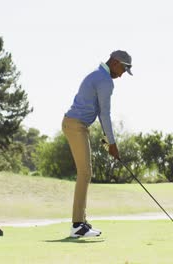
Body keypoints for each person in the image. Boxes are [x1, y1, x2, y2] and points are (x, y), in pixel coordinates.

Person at [62, 50, 133, 238]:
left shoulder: (97, 75)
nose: (122, 74)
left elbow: (99, 113)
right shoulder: (105, 80)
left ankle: (81, 222)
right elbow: (104, 114)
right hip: (76, 125)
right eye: (123, 69)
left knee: (86, 172)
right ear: (115, 62)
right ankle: (77, 225)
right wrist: (113, 143)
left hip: (76, 125)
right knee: (85, 172)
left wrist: (109, 141)